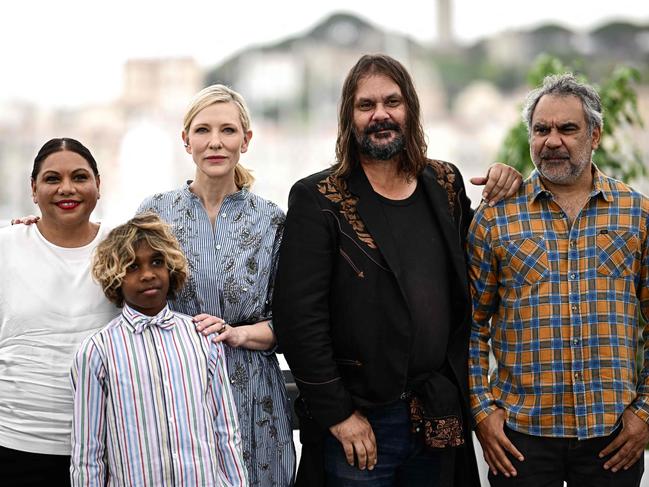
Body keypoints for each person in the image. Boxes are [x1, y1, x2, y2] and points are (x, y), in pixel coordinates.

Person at [272, 53, 522, 487]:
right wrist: (340, 415)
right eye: (366, 105)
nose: (380, 114)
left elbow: (481, 267)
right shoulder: (318, 198)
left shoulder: (444, 183)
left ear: (411, 110)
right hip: (361, 422)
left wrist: (506, 185)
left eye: (392, 101)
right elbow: (298, 319)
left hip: (439, 409)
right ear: (349, 118)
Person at [468, 73, 649, 487]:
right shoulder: (496, 217)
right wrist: (483, 411)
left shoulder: (637, 215)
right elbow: (471, 326)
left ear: (595, 135)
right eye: (541, 129)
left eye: (568, 129)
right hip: (520, 439)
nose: (552, 140)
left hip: (613, 436)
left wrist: (644, 414)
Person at [137, 84, 295, 486]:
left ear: (246, 139)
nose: (215, 143)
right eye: (203, 130)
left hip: (254, 398)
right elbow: (120, 285)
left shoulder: (272, 220)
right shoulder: (155, 213)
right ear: (185, 139)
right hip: (173, 393)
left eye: (227, 130)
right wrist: (40, 230)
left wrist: (238, 334)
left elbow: (292, 320)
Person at [70, 212, 247, 486]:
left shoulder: (202, 338)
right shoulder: (97, 351)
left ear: (170, 268)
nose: (148, 275)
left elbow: (226, 431)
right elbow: (88, 452)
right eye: (132, 267)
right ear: (115, 277)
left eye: (156, 262)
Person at [0, 138, 117, 486]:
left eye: (80, 177)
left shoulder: (124, 247)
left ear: (98, 185)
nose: (67, 188)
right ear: (33, 189)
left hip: (106, 448)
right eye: (52, 179)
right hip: (14, 443)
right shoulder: (6, 246)